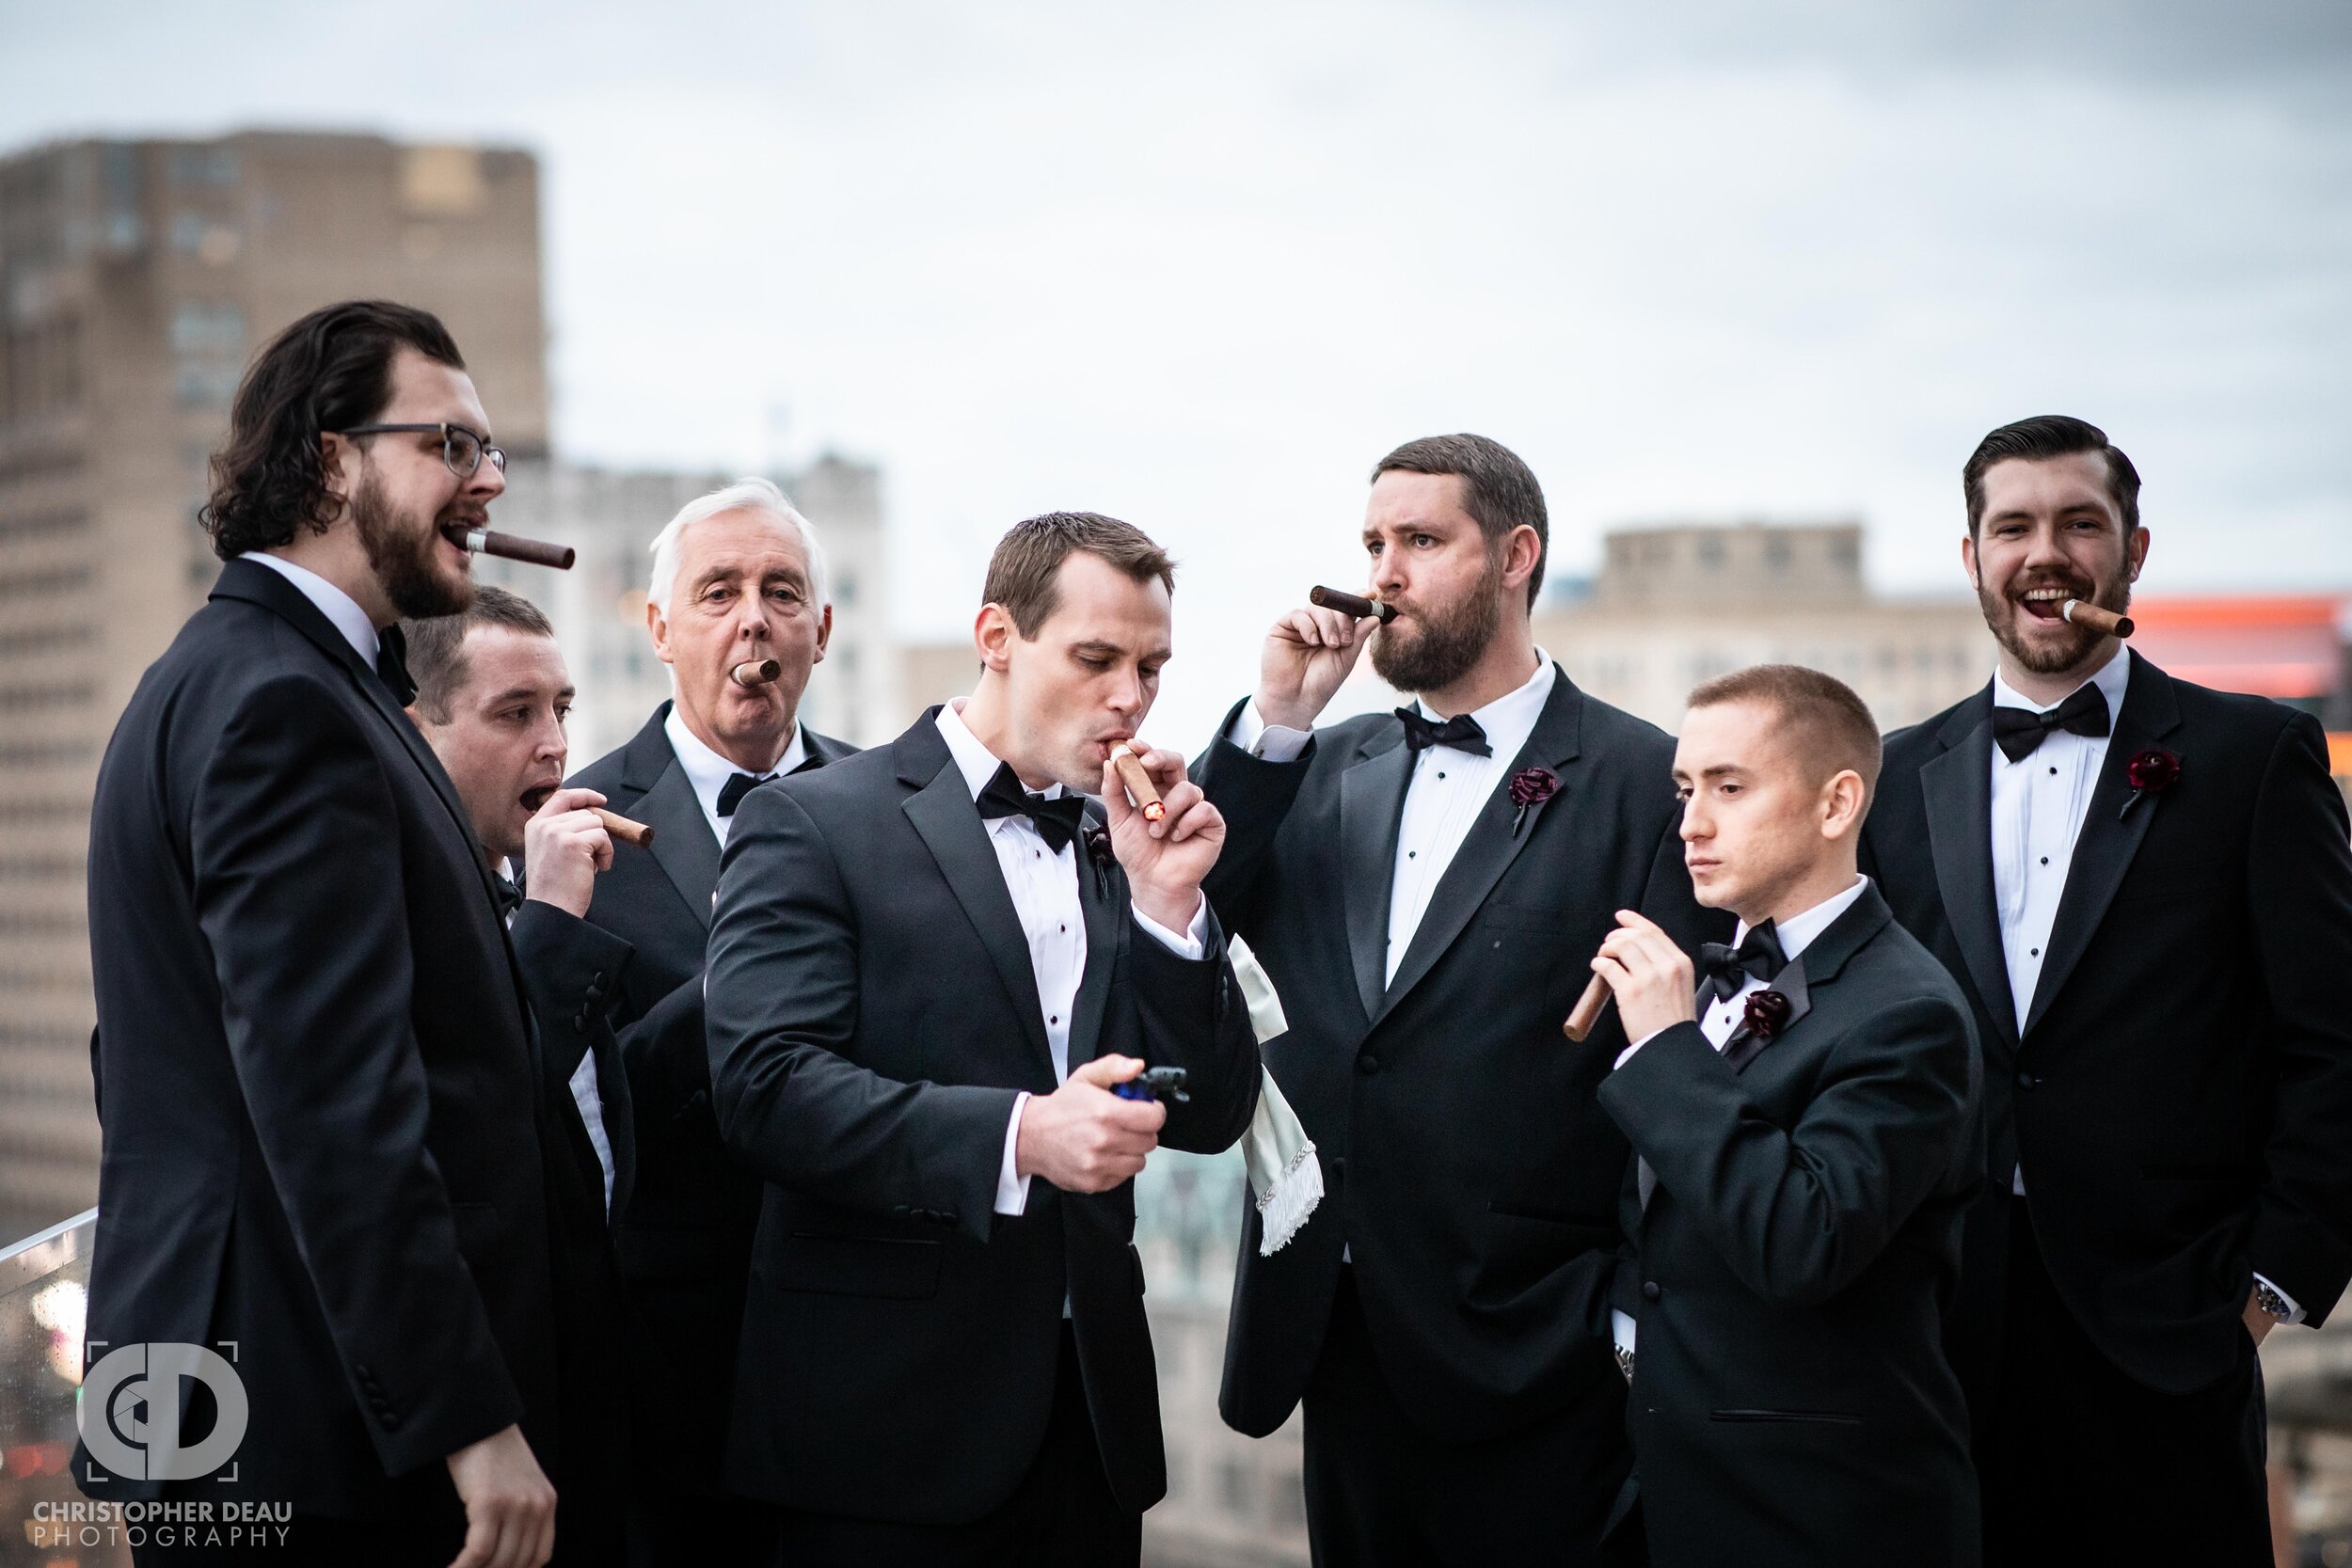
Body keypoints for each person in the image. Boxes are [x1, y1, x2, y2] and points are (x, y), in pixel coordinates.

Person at [82, 301, 558, 1567]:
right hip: (313, 1434)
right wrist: (470, 1418)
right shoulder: (284, 706)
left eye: (494, 452)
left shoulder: (223, 675)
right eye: (452, 445)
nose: (491, 479)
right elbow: (334, 1102)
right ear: (332, 458)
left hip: (219, 1406)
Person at [1197, 434, 1724, 1564]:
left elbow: (1680, 1068)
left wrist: (1625, 1325)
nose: (1382, 572)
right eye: (1373, 544)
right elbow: (1184, 917)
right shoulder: (1315, 764)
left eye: (1421, 542)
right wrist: (1274, 720)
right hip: (1334, 1337)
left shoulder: (1645, 783)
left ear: (1515, 556)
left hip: (1541, 1355)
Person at [705, 511, 1262, 1565]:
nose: (1128, 697)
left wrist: (1169, 911)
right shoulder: (815, 821)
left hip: (1091, 1434)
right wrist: (1018, 1135)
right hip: (879, 1438)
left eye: (1150, 666)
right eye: (1095, 657)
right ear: (996, 635)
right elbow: (764, 1088)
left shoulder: (1128, 837)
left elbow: (1214, 1112)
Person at [1861, 415, 2352, 1564]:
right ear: (1972, 555)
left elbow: (2334, 1040)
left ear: (2132, 552)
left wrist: (2268, 1284)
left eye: (2079, 523)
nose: (2046, 551)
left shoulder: (2253, 756)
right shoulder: (1888, 777)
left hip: (2170, 1330)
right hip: (1938, 1333)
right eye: (2013, 525)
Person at [1593, 664, 1980, 1567]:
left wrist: (1663, 1051)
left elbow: (1801, 1240)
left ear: (1837, 802)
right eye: (1686, 789)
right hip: (1668, 1492)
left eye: (1730, 787)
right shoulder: (1715, 968)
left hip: (1823, 1515)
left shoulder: (1908, 1011)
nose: (1692, 822)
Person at [561, 478, 853, 1563]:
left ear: (821, 631)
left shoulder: (906, 813)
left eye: (782, 592)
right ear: (658, 627)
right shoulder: (570, 831)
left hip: (879, 1364)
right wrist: (743, 966)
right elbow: (565, 1120)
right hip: (675, 1383)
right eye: (718, 590)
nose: (752, 618)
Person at [405, 585, 638, 1567]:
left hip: (589, 1428)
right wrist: (547, 924)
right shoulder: (403, 909)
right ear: (415, 732)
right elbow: (486, 1126)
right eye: (515, 713)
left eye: (562, 709)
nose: (554, 744)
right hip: (457, 1453)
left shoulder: (537, 895)